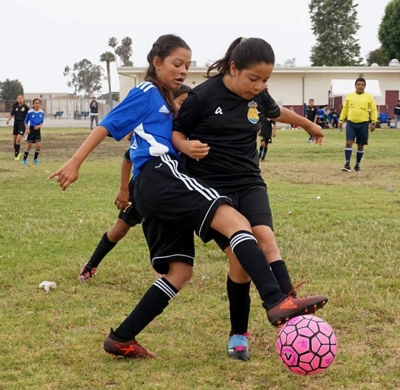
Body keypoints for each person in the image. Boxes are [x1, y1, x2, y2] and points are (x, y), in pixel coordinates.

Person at [49, 34, 327, 360]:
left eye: (187, 65)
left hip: (154, 189)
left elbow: (144, 141)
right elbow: (108, 126)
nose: (183, 71)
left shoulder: (168, 100)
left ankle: (122, 338)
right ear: (156, 62)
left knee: (180, 272)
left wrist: (308, 125)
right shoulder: (149, 93)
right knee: (239, 225)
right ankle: (275, 300)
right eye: (176, 64)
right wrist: (75, 161)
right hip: (162, 176)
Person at [173, 37, 327, 361]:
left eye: (265, 80)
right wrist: (185, 147)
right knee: (239, 261)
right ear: (233, 68)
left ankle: (292, 318)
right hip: (212, 190)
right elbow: (177, 132)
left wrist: (308, 124)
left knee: (266, 238)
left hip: (249, 181)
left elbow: (277, 111)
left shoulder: (258, 96)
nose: (259, 86)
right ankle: (238, 334)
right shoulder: (203, 96)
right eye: (253, 79)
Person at [77, 85, 192, 282]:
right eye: (181, 103)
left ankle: (170, 271)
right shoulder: (156, 127)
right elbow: (128, 158)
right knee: (119, 230)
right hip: (141, 187)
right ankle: (91, 265)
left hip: (166, 188)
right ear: (169, 102)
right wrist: (123, 190)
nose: (183, 108)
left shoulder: (183, 130)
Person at [339, 77, 377, 172]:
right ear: (355, 85)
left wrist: (373, 122)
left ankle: (357, 165)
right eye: (358, 84)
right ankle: (347, 164)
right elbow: (345, 109)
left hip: (363, 124)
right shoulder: (349, 96)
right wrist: (341, 120)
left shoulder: (369, 97)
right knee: (349, 142)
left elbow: (373, 110)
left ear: (365, 86)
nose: (360, 86)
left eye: (362, 85)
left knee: (360, 145)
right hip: (351, 123)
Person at [6, 95, 30, 160]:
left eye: (21, 98)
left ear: (23, 99)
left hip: (22, 124)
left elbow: (30, 114)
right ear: (17, 100)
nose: (20, 99)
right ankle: (17, 152)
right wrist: (8, 120)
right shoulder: (15, 107)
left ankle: (16, 155)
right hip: (16, 124)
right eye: (18, 98)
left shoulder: (26, 107)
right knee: (14, 141)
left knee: (18, 139)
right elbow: (11, 114)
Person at [22, 98, 44, 165]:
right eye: (35, 103)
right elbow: (25, 122)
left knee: (38, 145)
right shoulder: (30, 112)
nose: (37, 104)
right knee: (29, 145)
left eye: (38, 103)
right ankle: (24, 159)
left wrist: (39, 126)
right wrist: (27, 129)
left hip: (37, 130)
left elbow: (41, 122)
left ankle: (35, 159)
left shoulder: (42, 112)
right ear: (33, 104)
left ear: (40, 104)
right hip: (31, 129)